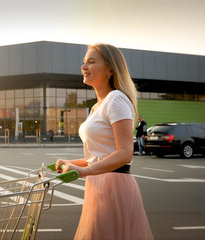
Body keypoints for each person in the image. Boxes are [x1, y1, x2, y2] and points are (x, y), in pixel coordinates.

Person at [56, 43, 153, 240]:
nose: (84, 66)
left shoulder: (116, 99)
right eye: (84, 62)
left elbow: (124, 153)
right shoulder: (96, 107)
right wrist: (72, 164)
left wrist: (85, 171)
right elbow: (96, 158)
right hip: (98, 184)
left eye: (91, 62)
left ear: (110, 69)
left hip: (114, 187)